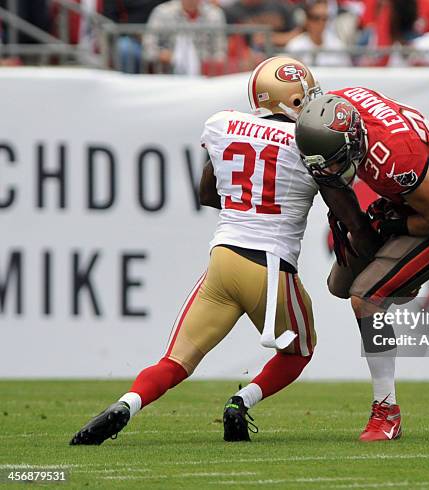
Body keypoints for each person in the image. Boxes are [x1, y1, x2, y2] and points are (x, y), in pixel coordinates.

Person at [70, 56, 331, 445]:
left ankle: (127, 403)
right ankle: (240, 402)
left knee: (175, 361)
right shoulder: (308, 142)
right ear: (293, 101)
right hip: (271, 267)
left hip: (223, 259)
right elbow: (341, 209)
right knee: (298, 352)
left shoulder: (225, 125)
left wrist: (248, 198)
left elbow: (208, 193)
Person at [295, 89, 429, 441]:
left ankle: (386, 412)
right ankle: (400, 280)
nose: (330, 170)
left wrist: (389, 225)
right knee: (339, 286)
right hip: (403, 203)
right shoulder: (334, 110)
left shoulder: (393, 158)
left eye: (335, 161)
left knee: (365, 296)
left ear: (354, 141)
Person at [142, 0, 227, 75]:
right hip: (167, 74)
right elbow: (148, 46)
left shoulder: (215, 14)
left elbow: (220, 50)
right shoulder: (162, 12)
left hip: (204, 76)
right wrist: (162, 55)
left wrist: (210, 65)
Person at [103, 0, 168, 73]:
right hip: (132, 39)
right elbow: (110, 22)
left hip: (160, 41)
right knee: (124, 47)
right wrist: (134, 34)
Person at [286, 0, 352, 66]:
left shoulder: (337, 45)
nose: (321, 23)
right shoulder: (295, 46)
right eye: (316, 18)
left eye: (325, 18)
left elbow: (346, 71)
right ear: (307, 19)